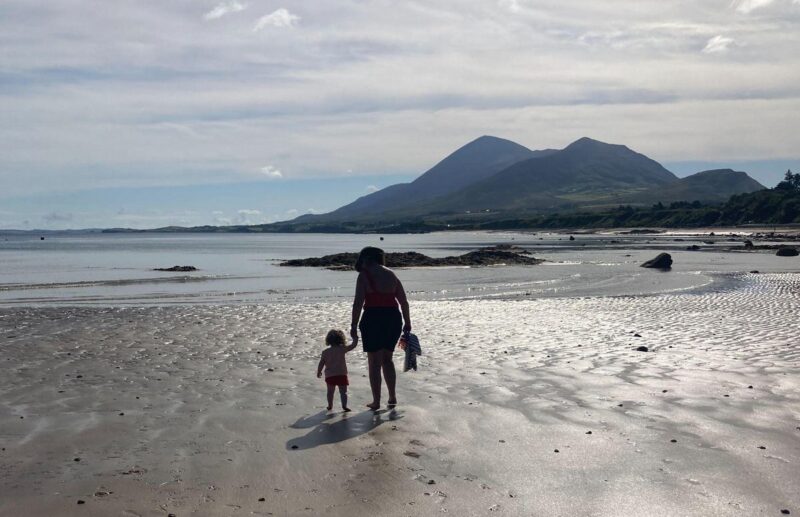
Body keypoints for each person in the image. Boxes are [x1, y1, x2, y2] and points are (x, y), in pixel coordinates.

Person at [351, 247, 411, 410]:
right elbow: (403, 302)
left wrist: (353, 325)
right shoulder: (391, 274)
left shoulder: (364, 276)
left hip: (373, 318)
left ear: (365, 259)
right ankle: (392, 397)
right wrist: (407, 322)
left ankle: (376, 401)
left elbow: (358, 302)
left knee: (374, 362)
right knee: (387, 359)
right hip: (393, 318)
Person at [317, 329, 357, 412]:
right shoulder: (342, 349)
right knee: (343, 392)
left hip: (330, 375)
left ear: (328, 340)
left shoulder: (325, 352)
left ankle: (330, 405)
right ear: (341, 339)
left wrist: (319, 371)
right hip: (341, 375)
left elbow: (321, 363)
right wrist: (355, 338)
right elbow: (353, 346)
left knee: (330, 392)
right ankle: (344, 406)